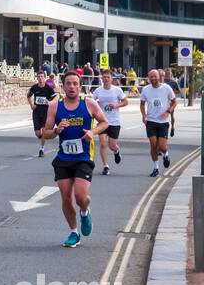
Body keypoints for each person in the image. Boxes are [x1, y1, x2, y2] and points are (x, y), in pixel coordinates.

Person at [42, 69, 109, 247]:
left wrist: (92, 131)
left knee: (80, 196)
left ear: (80, 87)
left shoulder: (89, 104)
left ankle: (85, 212)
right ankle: (73, 232)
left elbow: (104, 122)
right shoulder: (55, 107)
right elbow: (45, 133)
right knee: (65, 198)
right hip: (64, 158)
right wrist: (56, 130)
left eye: (75, 84)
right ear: (63, 87)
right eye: (68, 84)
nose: (72, 87)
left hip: (84, 157)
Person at [141, 68, 176, 177]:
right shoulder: (146, 89)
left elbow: (175, 102)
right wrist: (144, 115)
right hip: (151, 121)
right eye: (151, 77)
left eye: (155, 76)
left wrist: (168, 111)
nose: (153, 78)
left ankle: (165, 154)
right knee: (153, 144)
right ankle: (156, 168)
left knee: (162, 147)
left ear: (159, 77)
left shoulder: (166, 88)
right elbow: (142, 104)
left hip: (163, 122)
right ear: (149, 78)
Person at [92, 69, 128, 175]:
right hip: (102, 121)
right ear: (101, 79)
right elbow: (91, 102)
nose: (106, 79)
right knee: (103, 143)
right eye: (104, 77)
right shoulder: (98, 91)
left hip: (114, 122)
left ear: (111, 78)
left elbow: (126, 102)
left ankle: (116, 151)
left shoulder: (117, 90)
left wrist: (116, 105)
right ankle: (106, 166)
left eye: (108, 77)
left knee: (112, 145)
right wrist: (96, 104)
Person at [26, 69, 56, 157]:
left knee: (44, 129)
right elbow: (28, 96)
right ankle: (44, 136)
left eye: (42, 77)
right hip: (36, 112)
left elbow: (56, 97)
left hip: (46, 112)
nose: (40, 78)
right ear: (37, 78)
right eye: (38, 77)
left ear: (45, 78)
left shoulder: (48, 88)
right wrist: (31, 104)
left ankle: (41, 149)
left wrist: (50, 103)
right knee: (38, 133)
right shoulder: (34, 87)